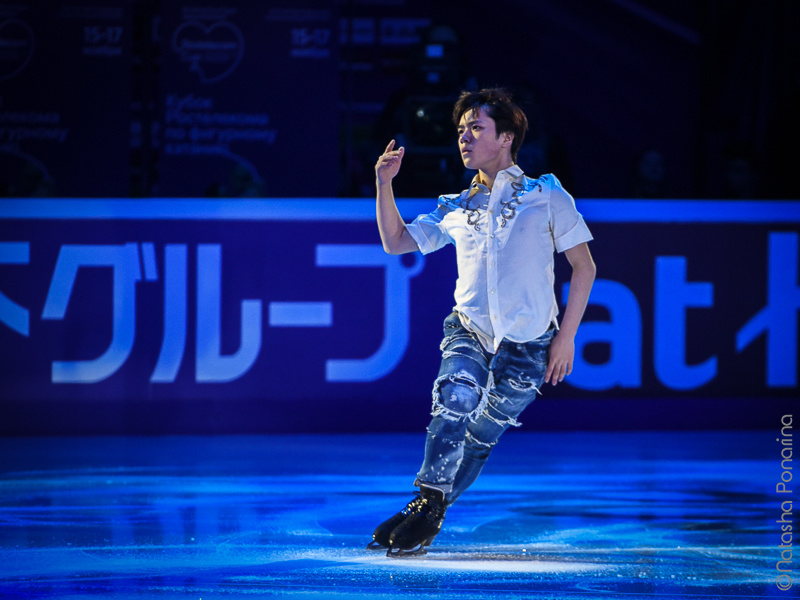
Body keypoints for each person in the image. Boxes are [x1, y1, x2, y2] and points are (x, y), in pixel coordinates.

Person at [370, 88, 596, 557]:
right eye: (460, 131)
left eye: (476, 128)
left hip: (531, 343)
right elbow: (396, 241)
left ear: (507, 137)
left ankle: (427, 508)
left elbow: (585, 267)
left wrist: (567, 337)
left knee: (479, 437)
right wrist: (384, 184)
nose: (465, 138)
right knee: (454, 399)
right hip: (469, 329)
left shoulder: (546, 194)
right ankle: (428, 503)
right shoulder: (454, 205)